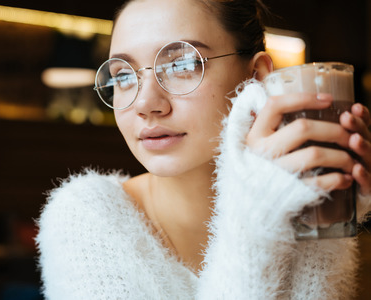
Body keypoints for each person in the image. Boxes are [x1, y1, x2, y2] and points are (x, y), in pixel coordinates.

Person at [36, 0, 371, 298]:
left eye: (182, 65)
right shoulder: (85, 217)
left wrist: (332, 224)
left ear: (256, 77)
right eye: (123, 76)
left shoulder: (307, 205)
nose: (146, 104)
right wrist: (255, 224)